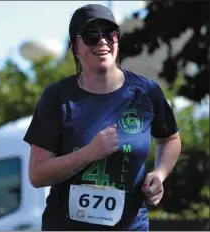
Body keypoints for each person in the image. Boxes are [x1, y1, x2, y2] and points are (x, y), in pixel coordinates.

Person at [24, 4, 181, 231]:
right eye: (91, 37)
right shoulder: (57, 97)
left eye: (110, 34)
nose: (103, 42)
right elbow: (37, 175)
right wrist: (89, 153)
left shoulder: (146, 92)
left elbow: (170, 139)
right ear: (74, 47)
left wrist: (160, 173)